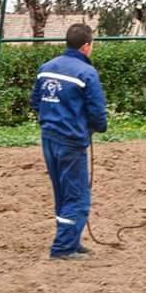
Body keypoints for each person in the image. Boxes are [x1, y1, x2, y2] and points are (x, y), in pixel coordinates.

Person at [31, 23, 108, 260]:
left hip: (48, 138)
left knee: (62, 193)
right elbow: (97, 112)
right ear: (86, 46)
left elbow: (35, 101)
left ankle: (71, 240)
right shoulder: (86, 73)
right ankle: (63, 248)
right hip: (71, 141)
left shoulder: (46, 68)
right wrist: (95, 127)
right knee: (77, 196)